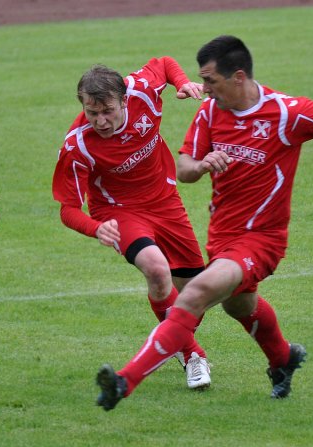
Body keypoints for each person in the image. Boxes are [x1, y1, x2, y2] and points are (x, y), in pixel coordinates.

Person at [95, 35, 313, 411]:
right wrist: (203, 165)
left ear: (238, 76)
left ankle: (124, 382)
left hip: (262, 239)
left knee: (195, 293)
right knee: (239, 306)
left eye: (210, 81)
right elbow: (185, 168)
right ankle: (283, 359)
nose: (205, 89)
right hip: (221, 237)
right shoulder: (210, 112)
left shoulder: (288, 113)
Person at [52, 57, 211, 395]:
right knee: (156, 270)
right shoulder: (78, 144)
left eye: (107, 111)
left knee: (194, 295)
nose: (100, 121)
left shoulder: (141, 90)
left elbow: (163, 63)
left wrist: (182, 82)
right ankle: (193, 355)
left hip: (165, 200)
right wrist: (95, 228)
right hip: (119, 212)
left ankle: (174, 338)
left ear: (124, 100)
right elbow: (68, 209)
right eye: (92, 113)